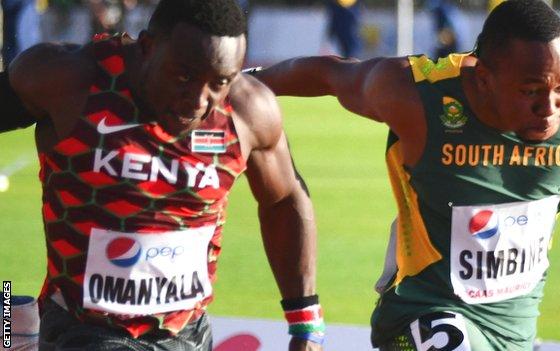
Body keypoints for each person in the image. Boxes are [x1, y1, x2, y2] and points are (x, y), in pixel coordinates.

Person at [254, 0, 560, 349]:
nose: (549, 108)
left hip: (515, 331)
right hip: (424, 315)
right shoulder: (417, 96)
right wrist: (244, 84)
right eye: (530, 91)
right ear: (483, 78)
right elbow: (332, 75)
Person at [1, 0, 323, 350]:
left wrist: (306, 323)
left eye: (220, 82)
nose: (199, 100)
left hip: (187, 332)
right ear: (147, 47)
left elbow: (283, 199)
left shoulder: (248, 111)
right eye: (184, 76)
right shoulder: (72, 79)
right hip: (84, 328)